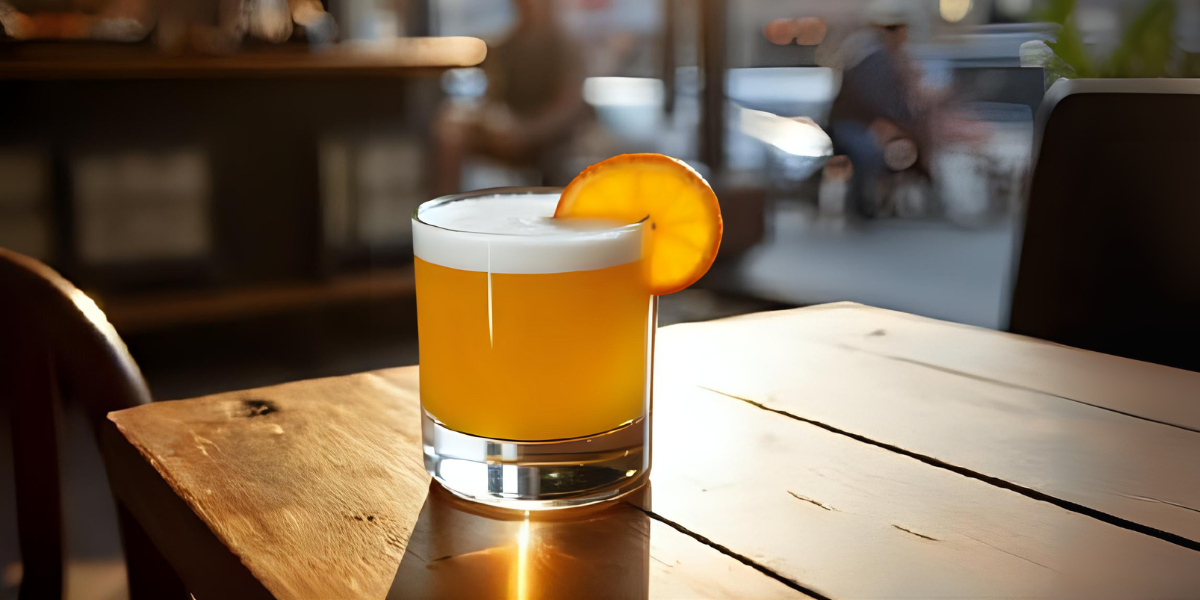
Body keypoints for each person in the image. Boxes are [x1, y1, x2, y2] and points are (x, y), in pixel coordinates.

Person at [433, 0, 587, 196]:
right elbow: (493, 98)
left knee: (566, 156)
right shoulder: (507, 45)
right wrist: (495, 121)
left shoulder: (567, 47)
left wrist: (527, 131)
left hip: (550, 138)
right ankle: (445, 204)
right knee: (452, 127)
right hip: (509, 130)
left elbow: (568, 108)